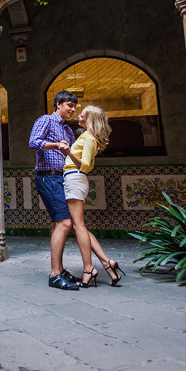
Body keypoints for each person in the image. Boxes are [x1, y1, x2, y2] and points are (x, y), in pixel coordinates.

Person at [63, 105, 124, 287]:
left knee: (78, 226)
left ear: (89, 119)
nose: (79, 114)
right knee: (78, 226)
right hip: (73, 179)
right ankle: (107, 263)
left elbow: (86, 165)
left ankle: (88, 268)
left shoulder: (89, 138)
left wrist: (69, 153)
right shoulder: (85, 135)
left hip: (75, 178)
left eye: (83, 114)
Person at [29, 90, 79, 290]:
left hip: (63, 178)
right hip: (47, 177)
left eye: (74, 106)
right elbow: (33, 142)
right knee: (64, 223)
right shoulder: (46, 120)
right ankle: (55, 274)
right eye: (69, 105)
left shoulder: (68, 130)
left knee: (65, 224)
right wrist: (56, 145)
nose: (73, 109)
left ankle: (60, 269)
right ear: (58, 104)